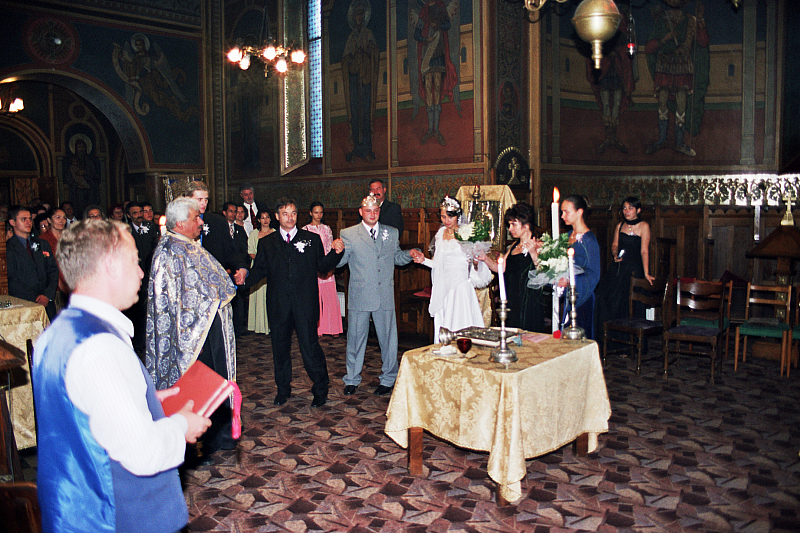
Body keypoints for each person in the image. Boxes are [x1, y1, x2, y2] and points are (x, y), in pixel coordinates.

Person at [33, 218, 210, 533]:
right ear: (111, 266)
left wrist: (144, 400)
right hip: (118, 517)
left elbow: (82, 411)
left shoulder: (57, 332)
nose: (142, 272)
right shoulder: (100, 347)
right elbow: (142, 454)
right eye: (135, 261)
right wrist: (183, 424)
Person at [146, 197, 239, 457]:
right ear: (180, 222)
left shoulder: (188, 246)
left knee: (215, 379)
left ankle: (220, 433)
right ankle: (201, 438)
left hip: (208, 330)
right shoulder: (168, 251)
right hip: (193, 336)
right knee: (200, 383)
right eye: (196, 217)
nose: (201, 222)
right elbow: (176, 300)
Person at [246, 198, 344, 408]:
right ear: (277, 216)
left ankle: (320, 389)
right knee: (280, 351)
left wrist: (337, 253)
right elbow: (258, 273)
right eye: (285, 214)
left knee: (310, 349)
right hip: (278, 306)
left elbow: (323, 267)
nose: (289, 218)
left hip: (305, 306)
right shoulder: (267, 243)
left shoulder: (311, 239)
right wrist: (237, 284)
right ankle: (283, 389)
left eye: (293, 213)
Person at [338, 193, 421, 397]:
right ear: (361, 212)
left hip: (384, 293)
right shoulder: (348, 234)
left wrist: (410, 254)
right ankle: (352, 378)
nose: (372, 214)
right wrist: (335, 250)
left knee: (389, 341)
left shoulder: (391, 232)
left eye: (376, 211)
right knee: (356, 339)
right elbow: (340, 263)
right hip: (360, 294)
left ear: (379, 212)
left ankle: (388, 378)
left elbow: (396, 258)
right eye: (368, 211)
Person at [413, 196, 492, 336]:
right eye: (443, 217)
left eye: (450, 217)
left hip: (460, 284)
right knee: (444, 324)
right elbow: (438, 263)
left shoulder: (467, 233)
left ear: (457, 216)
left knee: (460, 324)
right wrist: (423, 260)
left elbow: (475, 260)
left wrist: (475, 261)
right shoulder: (440, 234)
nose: (446, 221)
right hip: (444, 286)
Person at [477, 202, 548, 333]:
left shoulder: (540, 245)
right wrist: (485, 259)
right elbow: (501, 268)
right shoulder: (514, 246)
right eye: (509, 225)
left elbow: (544, 275)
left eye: (513, 224)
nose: (510, 229)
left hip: (529, 301)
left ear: (526, 226)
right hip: (512, 300)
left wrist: (533, 253)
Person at [594, 197, 656, 337]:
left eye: (630, 208)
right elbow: (614, 245)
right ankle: (610, 340)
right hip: (618, 268)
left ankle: (632, 344)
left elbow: (644, 250)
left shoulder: (643, 225)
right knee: (603, 297)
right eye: (624, 208)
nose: (626, 211)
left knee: (630, 305)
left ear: (638, 210)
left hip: (634, 269)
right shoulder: (620, 225)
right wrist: (615, 253)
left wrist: (646, 273)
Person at [183, 181, 248, 286]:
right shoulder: (179, 222)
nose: (204, 204)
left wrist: (242, 267)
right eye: (199, 199)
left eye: (206, 199)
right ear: (187, 199)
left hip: (213, 282)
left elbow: (230, 252)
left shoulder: (217, 222)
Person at [557, 195, 601, 339]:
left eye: (566, 212)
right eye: (561, 212)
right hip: (569, 294)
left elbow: (594, 273)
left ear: (579, 212)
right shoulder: (569, 235)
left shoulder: (588, 240)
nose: (562, 216)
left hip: (583, 296)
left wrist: (571, 281)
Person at [6, 205, 59, 319]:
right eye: (23, 219)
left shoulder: (42, 243)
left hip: (47, 302)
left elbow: (53, 270)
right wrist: (35, 297)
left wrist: (47, 294)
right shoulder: (8, 248)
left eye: (30, 219)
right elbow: (11, 279)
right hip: (25, 303)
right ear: (12, 222)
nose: (28, 222)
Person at [303, 202, 343, 337]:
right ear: (310, 213)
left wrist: (329, 265)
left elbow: (330, 248)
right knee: (314, 298)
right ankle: (317, 328)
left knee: (330, 296)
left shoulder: (327, 229)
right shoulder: (305, 230)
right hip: (312, 268)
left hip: (325, 266)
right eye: (316, 212)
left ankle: (333, 328)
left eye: (320, 212)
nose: (318, 215)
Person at [223, 201, 250, 337]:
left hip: (237, 270)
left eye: (235, 211)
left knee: (239, 300)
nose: (233, 214)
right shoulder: (220, 230)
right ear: (224, 213)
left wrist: (240, 267)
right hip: (224, 270)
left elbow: (244, 250)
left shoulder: (240, 230)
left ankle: (238, 329)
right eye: (231, 211)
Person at [247, 211, 274, 335]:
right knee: (258, 295)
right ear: (258, 220)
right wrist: (261, 261)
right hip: (258, 267)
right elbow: (251, 251)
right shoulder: (254, 234)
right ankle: (258, 325)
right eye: (262, 218)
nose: (265, 220)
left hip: (272, 269)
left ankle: (270, 325)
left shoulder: (275, 233)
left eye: (267, 217)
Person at [39, 208, 70, 313]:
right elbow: (46, 266)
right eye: (58, 217)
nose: (62, 221)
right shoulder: (43, 239)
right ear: (49, 220)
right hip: (54, 286)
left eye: (64, 218)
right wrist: (59, 282)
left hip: (71, 283)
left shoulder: (69, 237)